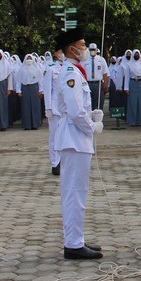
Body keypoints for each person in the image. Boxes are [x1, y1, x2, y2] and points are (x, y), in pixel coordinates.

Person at [54, 28, 104, 260]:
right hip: (74, 137)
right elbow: (75, 111)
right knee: (74, 192)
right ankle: (73, 244)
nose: (86, 48)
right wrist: (91, 126)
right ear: (72, 49)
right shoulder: (70, 72)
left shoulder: (75, 71)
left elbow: (79, 108)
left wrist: (90, 115)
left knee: (78, 191)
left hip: (78, 137)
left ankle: (76, 238)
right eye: (82, 45)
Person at [42, 46, 65, 176]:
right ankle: (55, 163)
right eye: (61, 52)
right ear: (56, 54)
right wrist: (48, 108)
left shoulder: (68, 68)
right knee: (54, 137)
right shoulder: (51, 69)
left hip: (66, 108)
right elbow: (47, 90)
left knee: (65, 136)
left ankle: (64, 161)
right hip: (55, 108)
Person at [16, 53, 43, 130]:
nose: (29, 60)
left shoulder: (37, 69)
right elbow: (19, 80)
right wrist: (19, 90)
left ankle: (35, 124)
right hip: (25, 88)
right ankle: (27, 124)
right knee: (25, 106)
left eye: (30, 58)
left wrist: (41, 90)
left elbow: (40, 80)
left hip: (34, 88)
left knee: (35, 106)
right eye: (27, 58)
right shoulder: (21, 69)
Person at [125, 49, 141, 127]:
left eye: (138, 54)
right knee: (132, 102)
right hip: (132, 83)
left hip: (140, 84)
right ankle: (132, 121)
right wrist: (126, 88)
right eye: (135, 54)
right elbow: (127, 77)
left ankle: (140, 121)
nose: (136, 55)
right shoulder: (129, 65)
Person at [85, 43, 109, 112]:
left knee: (99, 102)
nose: (92, 51)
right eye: (91, 49)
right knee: (88, 103)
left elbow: (105, 73)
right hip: (88, 84)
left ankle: (98, 119)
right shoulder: (85, 60)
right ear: (89, 50)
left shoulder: (101, 59)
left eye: (94, 49)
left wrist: (106, 85)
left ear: (96, 50)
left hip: (98, 83)